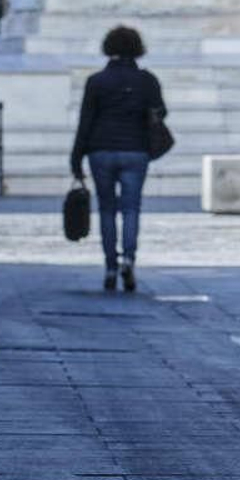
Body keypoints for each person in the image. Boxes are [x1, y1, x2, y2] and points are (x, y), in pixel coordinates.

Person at [70, 25, 166, 293]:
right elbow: (161, 112)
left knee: (107, 209)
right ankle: (129, 260)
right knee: (131, 209)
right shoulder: (147, 80)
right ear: (138, 48)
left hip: (100, 150)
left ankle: (110, 265)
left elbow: (85, 122)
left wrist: (76, 158)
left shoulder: (97, 81)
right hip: (136, 151)